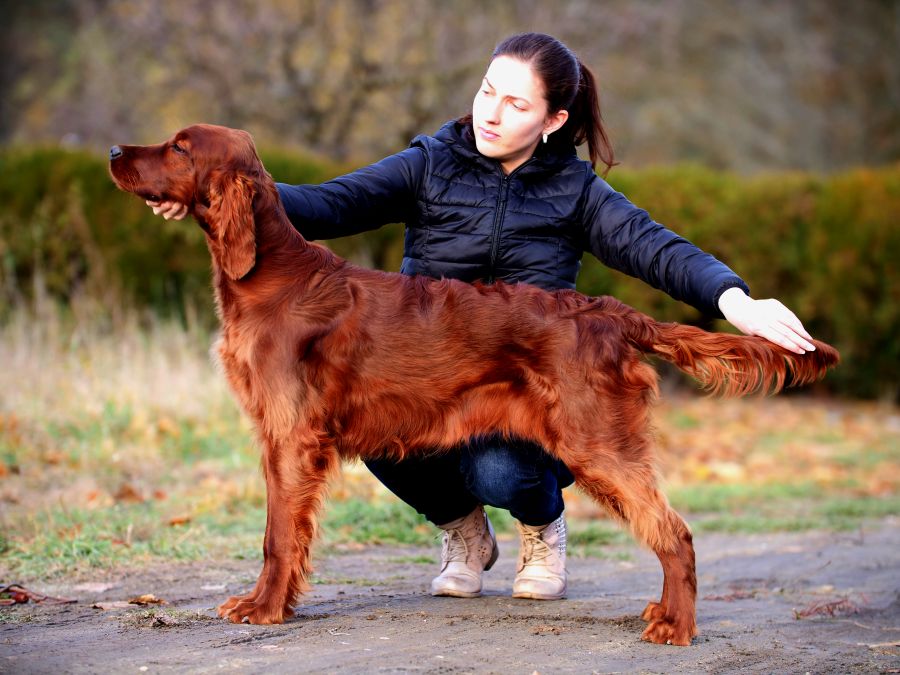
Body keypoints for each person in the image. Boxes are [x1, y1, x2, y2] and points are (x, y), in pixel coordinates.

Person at [148, 33, 815, 602]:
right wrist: (202, 187)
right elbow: (324, 204)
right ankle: (465, 531)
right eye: (488, 90)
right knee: (362, 422)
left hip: (526, 371)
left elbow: (658, 250)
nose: (492, 112)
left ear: (553, 120)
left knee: (501, 470)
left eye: (516, 103)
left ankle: (542, 530)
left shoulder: (577, 191)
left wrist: (736, 300)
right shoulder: (430, 163)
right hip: (417, 368)